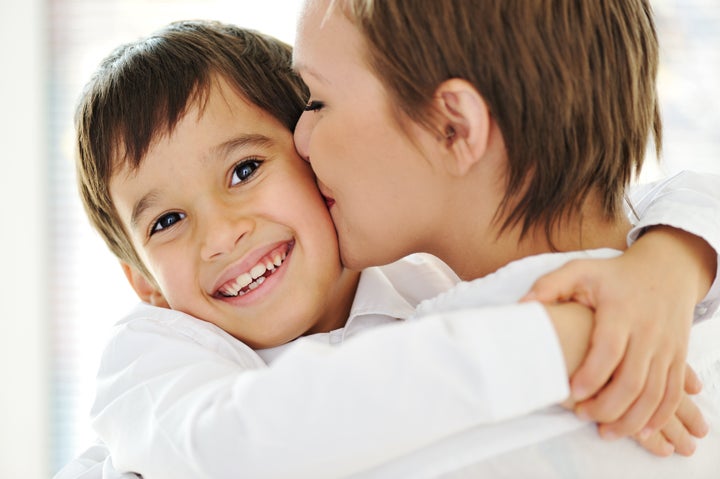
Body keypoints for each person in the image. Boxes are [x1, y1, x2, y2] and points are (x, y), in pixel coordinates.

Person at [55, 12, 719, 479]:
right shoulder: (153, 355)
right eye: (166, 221)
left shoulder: (416, 272)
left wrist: (670, 261)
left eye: (246, 170)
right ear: (141, 280)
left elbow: (665, 195)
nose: (221, 233)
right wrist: (558, 341)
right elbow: (243, 441)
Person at [288, 0, 720, 475]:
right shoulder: (688, 269)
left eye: (316, 102)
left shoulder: (416, 404)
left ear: (453, 127)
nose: (299, 138)